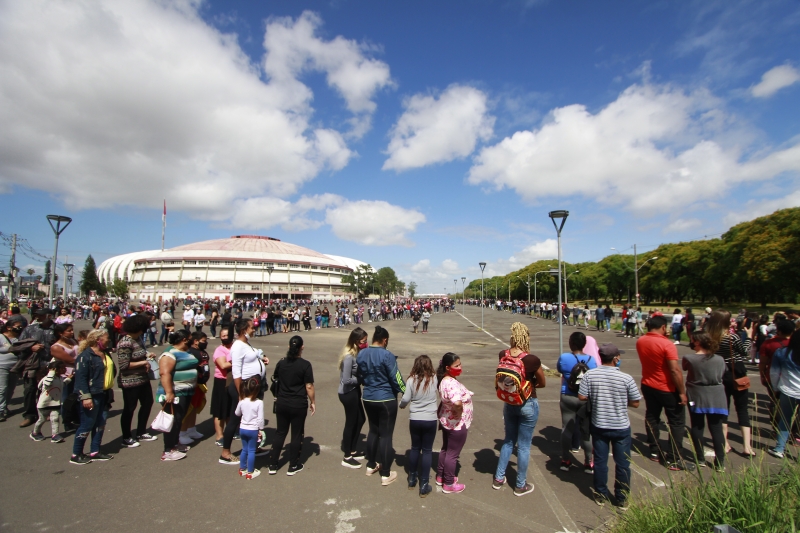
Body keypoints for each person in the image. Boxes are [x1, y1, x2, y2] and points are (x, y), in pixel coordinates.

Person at [578, 343, 641, 509]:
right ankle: (621, 497)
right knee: (623, 464)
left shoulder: (590, 376)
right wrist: (620, 400)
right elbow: (635, 403)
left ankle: (600, 493)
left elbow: (582, 396)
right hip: (620, 426)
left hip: (599, 424)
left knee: (600, 462)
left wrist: (597, 397)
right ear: (616, 358)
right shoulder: (626, 378)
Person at [493, 322, 545, 497]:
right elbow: (543, 383)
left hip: (509, 402)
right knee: (523, 446)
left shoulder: (503, 354)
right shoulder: (532, 359)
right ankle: (520, 485)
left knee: (508, 440)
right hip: (528, 403)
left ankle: (499, 478)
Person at [636, 315, 692, 470]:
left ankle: (654, 450)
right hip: (666, 387)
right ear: (663, 327)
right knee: (676, 422)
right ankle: (674, 457)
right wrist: (681, 392)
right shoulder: (667, 344)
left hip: (648, 383)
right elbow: (674, 370)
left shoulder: (641, 341)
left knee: (652, 416)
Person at [357, 325, 406, 486]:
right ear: (385, 340)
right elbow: (395, 377)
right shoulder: (387, 355)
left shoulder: (362, 353)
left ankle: (371, 465)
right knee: (385, 434)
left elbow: (360, 375)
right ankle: (385, 473)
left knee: (373, 430)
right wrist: (406, 391)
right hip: (385, 398)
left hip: (368, 397)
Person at [705, 310, 755, 456]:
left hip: (720, 372)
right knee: (742, 408)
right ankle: (747, 446)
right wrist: (749, 337)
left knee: (723, 409)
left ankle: (725, 443)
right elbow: (744, 352)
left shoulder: (710, 337)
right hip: (737, 372)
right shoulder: (732, 337)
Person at [220, 319, 269, 465]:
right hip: (244, 389)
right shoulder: (238, 346)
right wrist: (241, 394)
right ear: (243, 330)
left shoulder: (246, 344)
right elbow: (236, 372)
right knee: (235, 420)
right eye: (251, 327)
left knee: (252, 420)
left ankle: (252, 446)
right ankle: (225, 452)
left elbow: (251, 359)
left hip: (254, 387)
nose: (254, 329)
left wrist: (262, 360)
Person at [268, 336, 315, 476]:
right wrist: (313, 402)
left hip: (282, 401)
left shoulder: (282, 363)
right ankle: (293, 465)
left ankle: (273, 464)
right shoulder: (305, 365)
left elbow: (275, 378)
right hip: (297, 403)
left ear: (289, 347)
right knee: (296, 434)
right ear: (302, 347)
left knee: (280, 432)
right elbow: (309, 386)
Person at [682, 332, 727, 471]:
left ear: (697, 342)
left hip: (696, 395)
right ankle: (720, 462)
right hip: (717, 395)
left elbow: (685, 368)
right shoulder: (719, 359)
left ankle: (700, 458)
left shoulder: (689, 358)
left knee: (697, 426)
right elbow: (723, 373)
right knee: (717, 428)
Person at [71, 329, 115, 465]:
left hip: (104, 393)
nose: (109, 340)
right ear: (98, 339)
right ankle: (76, 453)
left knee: (101, 423)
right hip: (92, 394)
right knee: (87, 424)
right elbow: (81, 379)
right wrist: (86, 397)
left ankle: (95, 450)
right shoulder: (86, 356)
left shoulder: (105, 353)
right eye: (106, 337)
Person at [557, 331, 597, 472]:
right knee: (586, 431)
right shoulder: (592, 360)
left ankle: (565, 459)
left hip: (568, 395)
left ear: (571, 343)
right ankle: (588, 461)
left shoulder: (565, 357)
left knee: (567, 429)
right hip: (585, 398)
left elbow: (559, 369)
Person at [156, 329, 198, 461]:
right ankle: (168, 450)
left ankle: (175, 444)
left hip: (186, 391)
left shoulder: (185, 351)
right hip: (175, 393)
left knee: (179, 419)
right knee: (173, 421)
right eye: (191, 337)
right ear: (184, 339)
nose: (193, 340)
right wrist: (169, 392)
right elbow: (164, 373)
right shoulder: (169, 354)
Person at [400, 354, 438, 497]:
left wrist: (401, 405)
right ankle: (424, 484)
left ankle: (411, 478)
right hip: (430, 419)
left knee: (415, 448)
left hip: (415, 418)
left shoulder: (411, 380)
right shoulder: (434, 379)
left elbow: (406, 398)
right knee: (427, 451)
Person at [116, 314, 157, 448]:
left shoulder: (137, 339)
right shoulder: (125, 342)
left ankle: (141, 431)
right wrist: (143, 362)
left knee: (147, 403)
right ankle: (126, 436)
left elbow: (141, 352)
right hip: (130, 381)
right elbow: (123, 365)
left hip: (143, 378)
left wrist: (147, 354)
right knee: (129, 408)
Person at [436, 352, 473, 494]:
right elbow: (456, 401)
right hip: (456, 424)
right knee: (453, 454)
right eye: (456, 365)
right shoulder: (450, 383)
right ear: (447, 367)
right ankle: (449, 483)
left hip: (447, 420)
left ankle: (441, 476)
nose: (460, 367)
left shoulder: (445, 380)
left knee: (445, 449)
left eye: (460, 364)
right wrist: (460, 409)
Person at [18, 309, 55, 428]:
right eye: (36, 315)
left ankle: (44, 413)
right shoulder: (30, 329)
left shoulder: (57, 329)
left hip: (49, 365)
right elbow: (19, 345)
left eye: (41, 315)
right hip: (32, 365)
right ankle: (29, 415)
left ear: (49, 316)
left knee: (46, 390)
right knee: (29, 389)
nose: (37, 318)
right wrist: (31, 348)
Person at [768, 330, 800, 459]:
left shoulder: (782, 353)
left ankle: (779, 448)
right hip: (790, 390)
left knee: (785, 419)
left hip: (788, 390)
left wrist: (775, 387)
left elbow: (774, 373)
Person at [338, 327, 367, 468]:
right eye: (363, 341)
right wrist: (360, 380)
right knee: (351, 422)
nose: (365, 343)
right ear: (356, 341)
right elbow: (346, 380)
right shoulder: (349, 357)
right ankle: (347, 455)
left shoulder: (357, 354)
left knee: (361, 419)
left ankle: (353, 448)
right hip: (348, 393)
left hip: (354, 391)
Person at [179, 331, 210, 444]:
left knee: (195, 407)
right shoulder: (190, 353)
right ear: (196, 341)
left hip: (201, 385)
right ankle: (182, 432)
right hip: (193, 384)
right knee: (188, 408)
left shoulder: (202, 352)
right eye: (203, 341)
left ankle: (191, 429)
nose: (205, 343)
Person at [235, 377, 265, 479]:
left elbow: (237, 413)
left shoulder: (242, 401)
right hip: (253, 429)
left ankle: (242, 468)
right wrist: (261, 429)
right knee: (252, 450)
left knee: (244, 449)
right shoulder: (259, 402)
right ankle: (250, 471)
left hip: (242, 428)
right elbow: (260, 419)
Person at [30, 359, 66, 443]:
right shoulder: (47, 378)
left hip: (56, 402)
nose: (64, 370)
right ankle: (35, 433)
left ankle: (55, 435)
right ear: (55, 369)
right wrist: (51, 373)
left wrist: (68, 380)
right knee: (42, 419)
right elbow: (47, 384)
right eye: (62, 368)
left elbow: (61, 386)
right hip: (44, 404)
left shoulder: (60, 378)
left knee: (55, 418)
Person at [210, 326, 233, 446]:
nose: (226, 338)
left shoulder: (235, 347)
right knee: (219, 410)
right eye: (223, 336)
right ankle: (219, 436)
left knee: (230, 408)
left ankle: (230, 432)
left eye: (227, 335)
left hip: (233, 381)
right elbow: (223, 365)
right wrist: (237, 360)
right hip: (221, 381)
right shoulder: (220, 350)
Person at [0, 317, 25, 421]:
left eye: (20, 326)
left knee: (11, 389)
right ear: (9, 328)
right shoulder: (1, 337)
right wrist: (9, 348)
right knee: (2, 389)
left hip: (15, 366)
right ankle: (0, 410)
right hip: (2, 365)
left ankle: (4, 407)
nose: (19, 328)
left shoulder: (19, 337)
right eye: (17, 326)